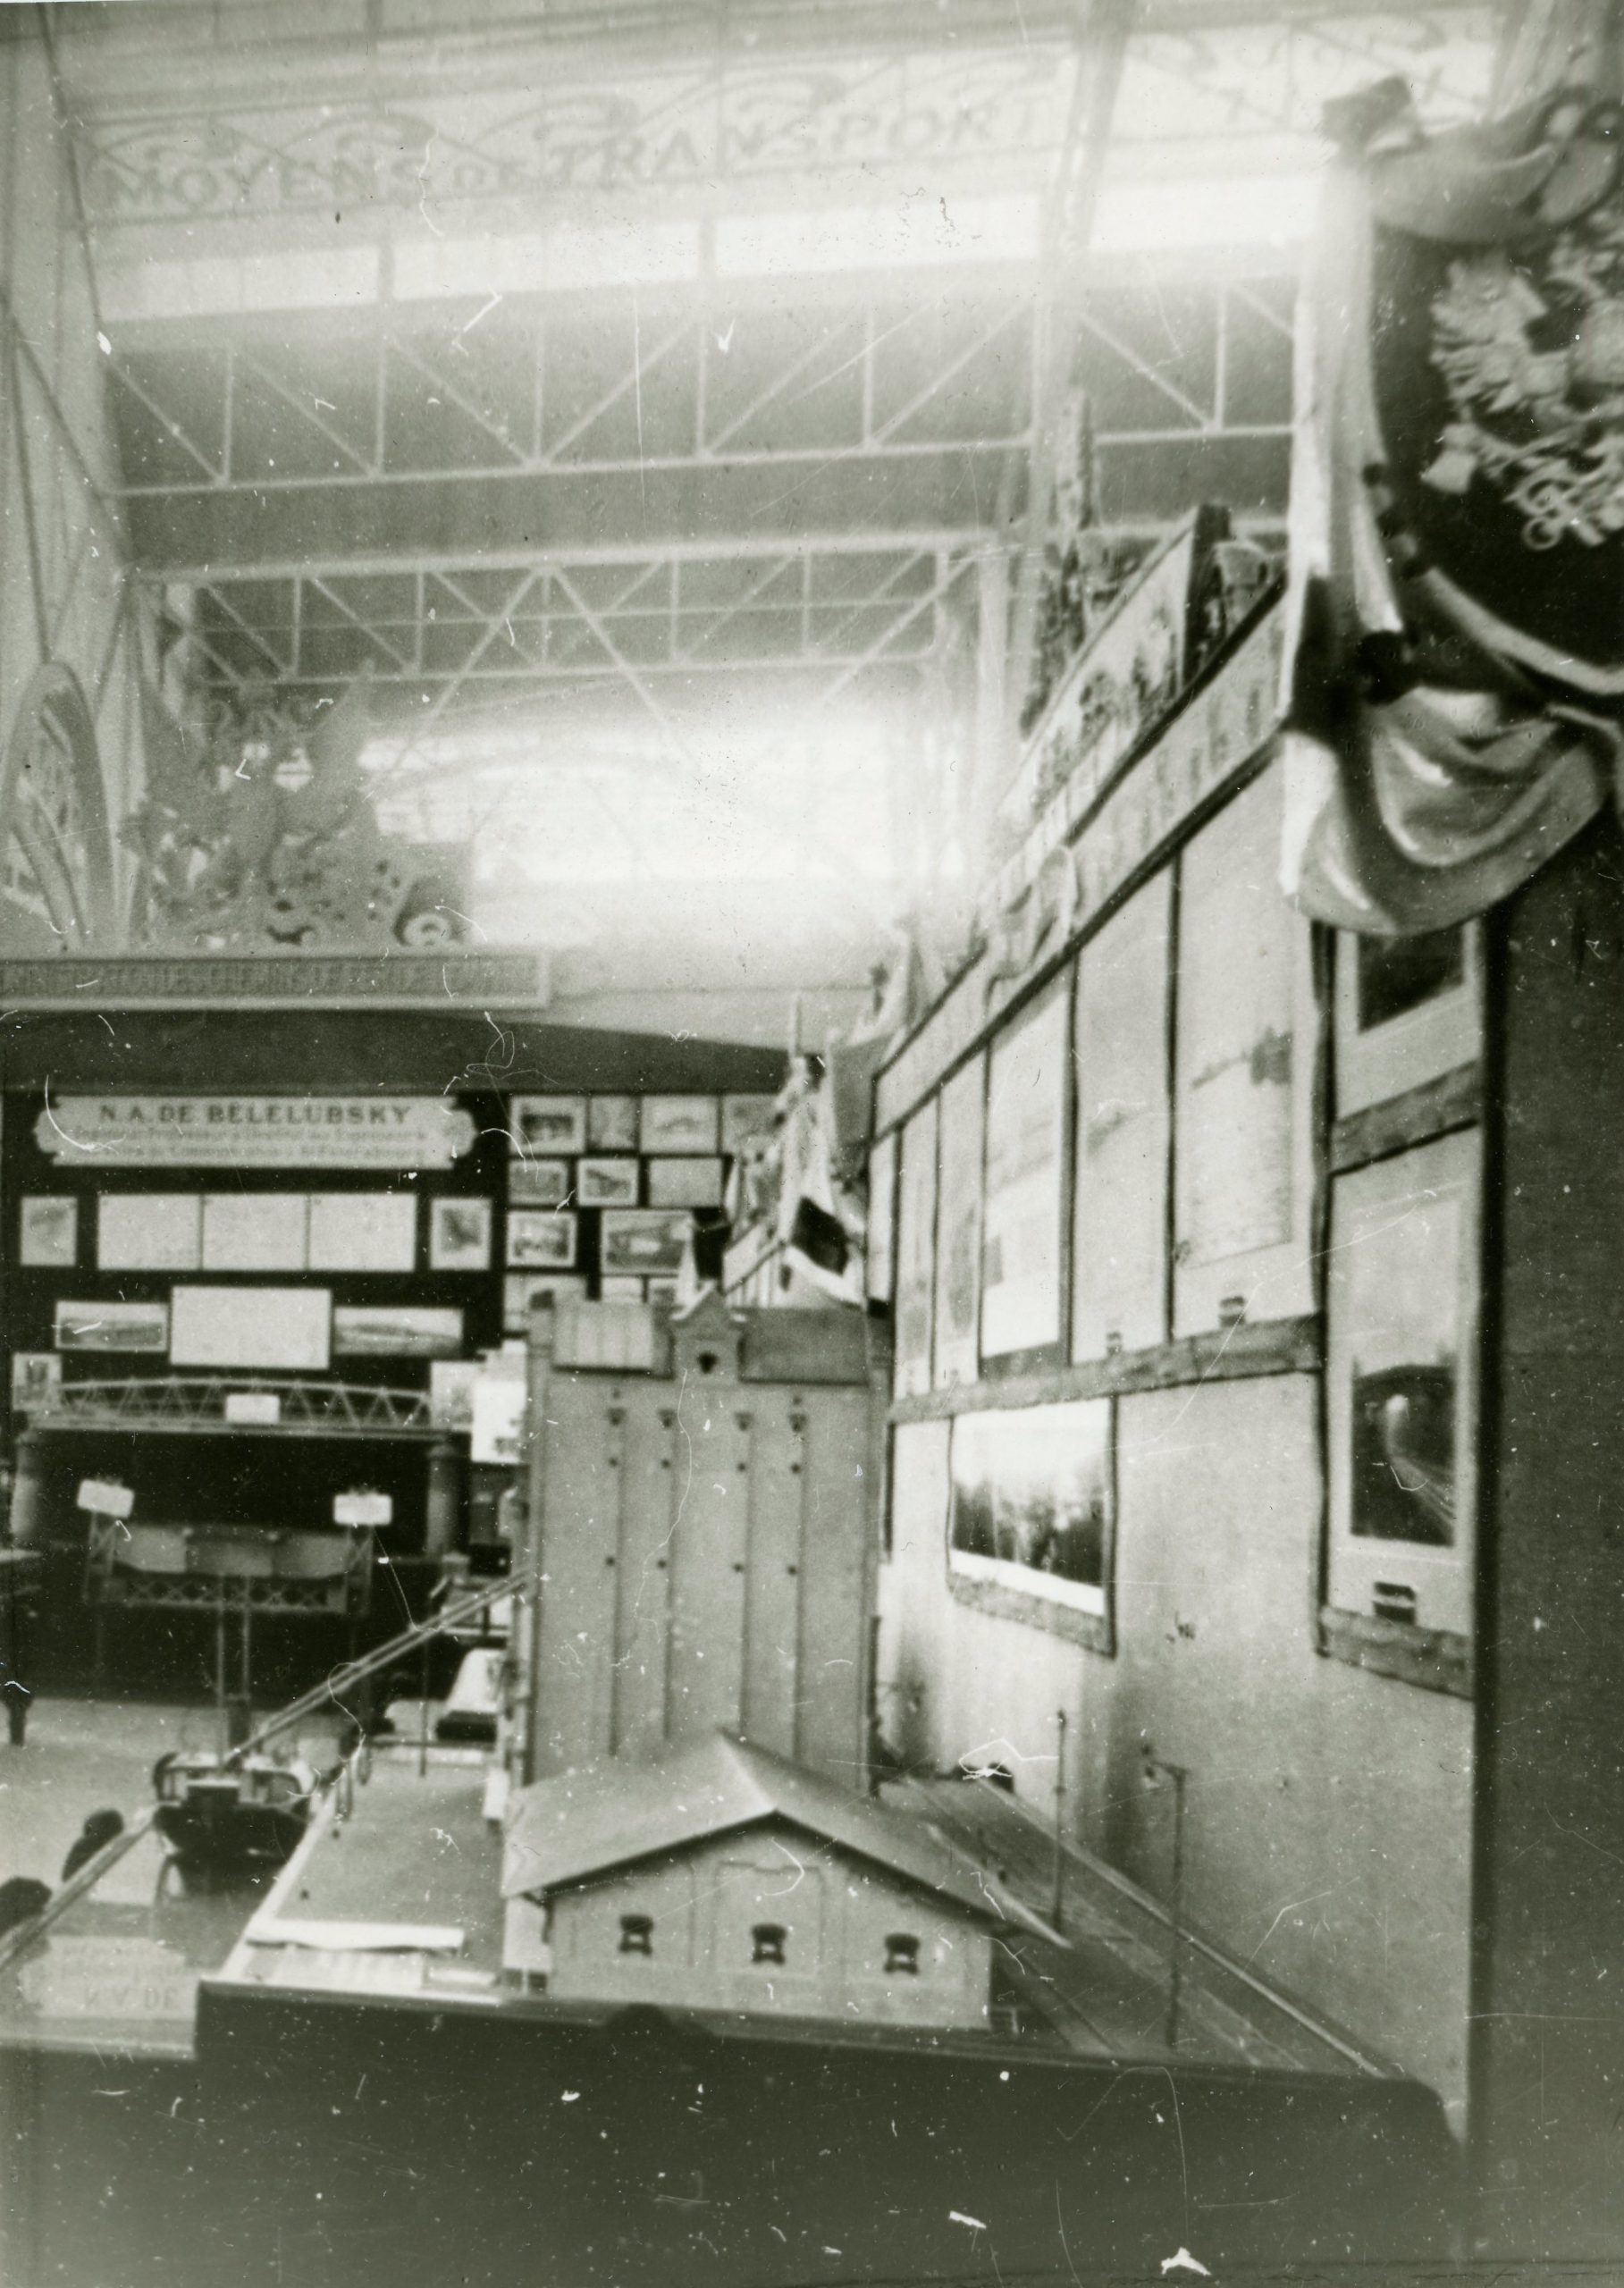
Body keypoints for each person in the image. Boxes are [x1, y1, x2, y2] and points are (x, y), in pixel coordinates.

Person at [61, 1809, 124, 1883]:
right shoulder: (85, 1844)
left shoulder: (84, 1843)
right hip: (75, 1877)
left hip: (74, 1877)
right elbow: (67, 1875)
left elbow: (66, 1876)